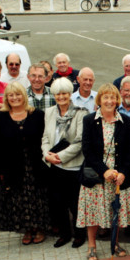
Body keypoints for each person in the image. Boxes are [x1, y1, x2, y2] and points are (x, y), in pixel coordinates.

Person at [76, 83, 130, 260]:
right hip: (97, 174)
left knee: (114, 211)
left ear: (117, 100)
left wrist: (123, 172)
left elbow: (128, 151)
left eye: (112, 97)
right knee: (93, 212)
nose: (109, 101)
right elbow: (87, 150)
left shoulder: (124, 120)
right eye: (105, 97)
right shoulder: (89, 120)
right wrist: (104, 171)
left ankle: (114, 243)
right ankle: (92, 246)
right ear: (99, 100)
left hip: (117, 176)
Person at [0, 82, 49, 245]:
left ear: (23, 96)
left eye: (18, 94)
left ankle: (39, 228)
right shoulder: (1, 117)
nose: (15, 98)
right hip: (13, 166)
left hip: (35, 164)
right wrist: (1, 169)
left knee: (37, 197)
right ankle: (27, 229)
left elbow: (45, 138)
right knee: (18, 198)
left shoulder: (37, 114)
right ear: (6, 98)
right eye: (11, 95)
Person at [42, 77, 88, 248]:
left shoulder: (80, 113)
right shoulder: (49, 112)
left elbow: (79, 142)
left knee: (75, 204)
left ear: (70, 94)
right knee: (58, 203)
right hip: (54, 166)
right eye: (58, 94)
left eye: (64, 93)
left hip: (73, 166)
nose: (61, 97)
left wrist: (60, 156)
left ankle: (79, 234)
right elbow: (46, 137)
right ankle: (64, 234)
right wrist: (47, 155)